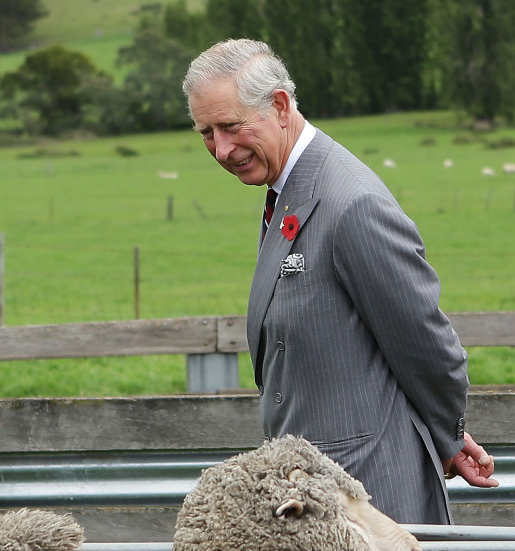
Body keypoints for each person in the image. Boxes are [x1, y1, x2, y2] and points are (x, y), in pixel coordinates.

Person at [183, 38, 497, 525]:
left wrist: (447, 435)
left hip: (372, 504)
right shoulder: (290, 192)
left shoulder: (351, 204)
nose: (221, 149)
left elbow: (428, 345)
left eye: (230, 126)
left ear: (281, 106)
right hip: (321, 502)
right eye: (206, 132)